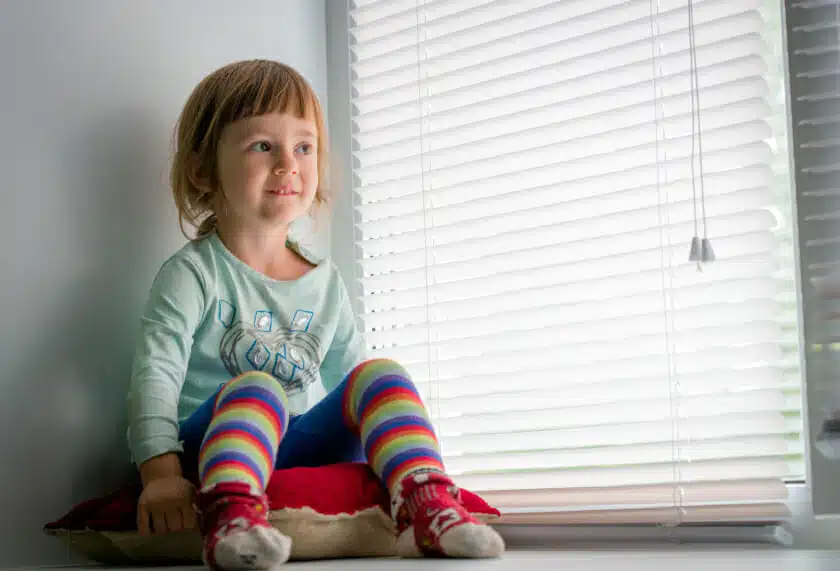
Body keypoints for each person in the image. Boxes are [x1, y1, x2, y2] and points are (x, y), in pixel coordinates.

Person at [125, 59, 505, 570]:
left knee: (380, 373)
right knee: (258, 387)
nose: (289, 164)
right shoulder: (194, 274)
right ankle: (231, 515)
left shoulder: (325, 283)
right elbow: (156, 372)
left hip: (293, 442)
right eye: (263, 145)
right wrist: (161, 475)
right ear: (202, 169)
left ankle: (426, 506)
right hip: (212, 443)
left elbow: (349, 389)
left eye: (304, 147)